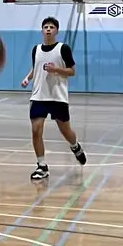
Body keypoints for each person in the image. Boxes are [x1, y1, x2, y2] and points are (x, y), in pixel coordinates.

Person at [19, 16, 87, 181]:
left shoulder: (63, 49)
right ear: (42, 31)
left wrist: (56, 69)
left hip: (57, 96)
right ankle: (42, 166)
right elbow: (35, 68)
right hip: (39, 95)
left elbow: (72, 71)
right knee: (36, 130)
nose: (48, 29)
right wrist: (28, 78)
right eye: (46, 27)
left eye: (51, 27)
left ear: (56, 31)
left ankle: (75, 146)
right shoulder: (36, 49)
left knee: (65, 131)